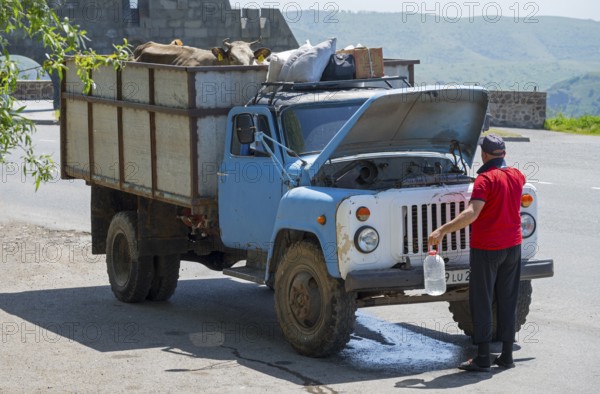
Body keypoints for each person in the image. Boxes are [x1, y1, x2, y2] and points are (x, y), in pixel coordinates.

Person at [428, 134, 525, 372]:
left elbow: (473, 213)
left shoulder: (484, 180)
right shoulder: (517, 175)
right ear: (504, 153)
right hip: (513, 247)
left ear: (483, 154)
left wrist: (441, 231)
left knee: (481, 299)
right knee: (508, 299)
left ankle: (482, 357)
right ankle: (507, 356)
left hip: (487, 248)